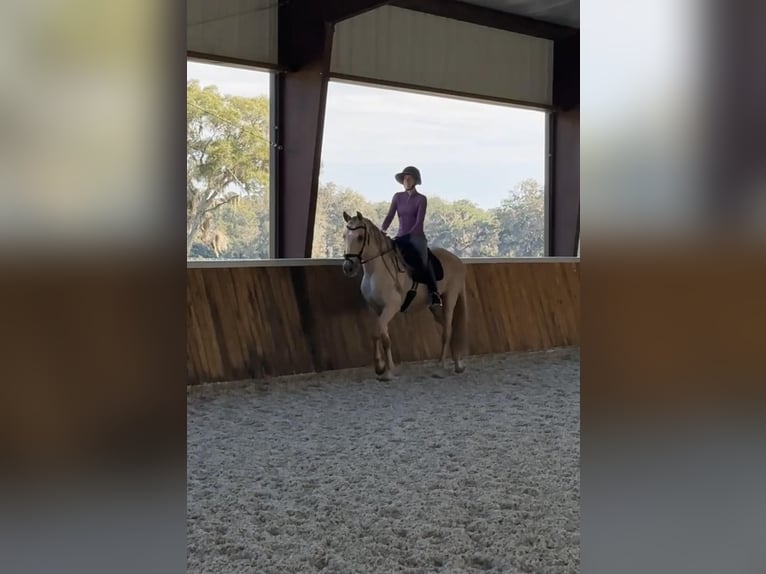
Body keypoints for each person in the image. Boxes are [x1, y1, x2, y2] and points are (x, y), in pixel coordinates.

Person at [381, 166, 442, 307]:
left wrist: (409, 236)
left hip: (416, 237)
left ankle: (434, 293)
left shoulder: (421, 199)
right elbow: (390, 215)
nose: (406, 181)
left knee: (424, 260)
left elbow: (419, 221)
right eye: (404, 179)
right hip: (400, 236)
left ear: (415, 180)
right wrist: (382, 230)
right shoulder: (397, 197)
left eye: (409, 178)